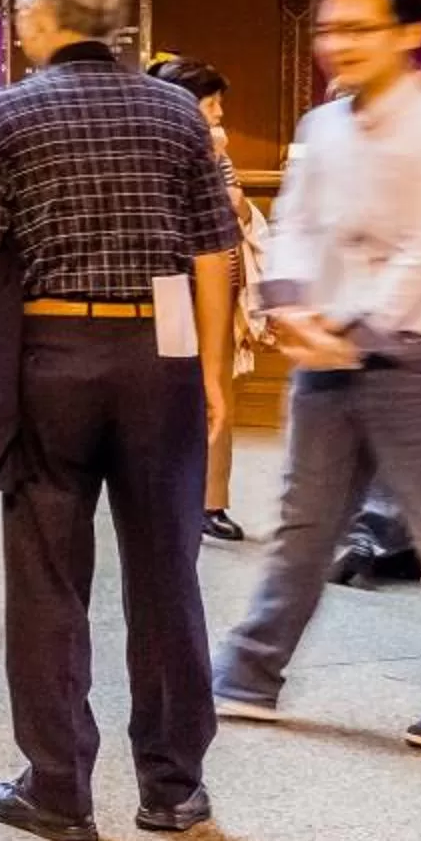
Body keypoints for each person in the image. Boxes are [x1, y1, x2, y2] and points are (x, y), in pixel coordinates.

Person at [0, 0, 236, 841]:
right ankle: (173, 785)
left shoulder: (7, 114)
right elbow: (212, 249)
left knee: (46, 575)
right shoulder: (178, 111)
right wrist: (217, 379)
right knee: (165, 572)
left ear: (40, 20)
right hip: (164, 351)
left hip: (52, 350)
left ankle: (59, 786)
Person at [212, 0, 421, 750]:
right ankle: (250, 670)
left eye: (358, 29)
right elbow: (297, 220)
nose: (337, 44)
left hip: (418, 360)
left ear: (409, 34)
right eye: (328, 29)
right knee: (305, 523)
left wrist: (344, 329)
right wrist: (288, 307)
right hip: (326, 354)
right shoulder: (324, 126)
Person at [148, 57, 258, 541]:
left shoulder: (218, 150)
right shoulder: (153, 150)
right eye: (209, 103)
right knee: (173, 391)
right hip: (171, 286)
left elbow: (235, 205)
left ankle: (212, 500)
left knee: (219, 389)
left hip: (221, 283)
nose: (217, 113)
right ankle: (163, 492)